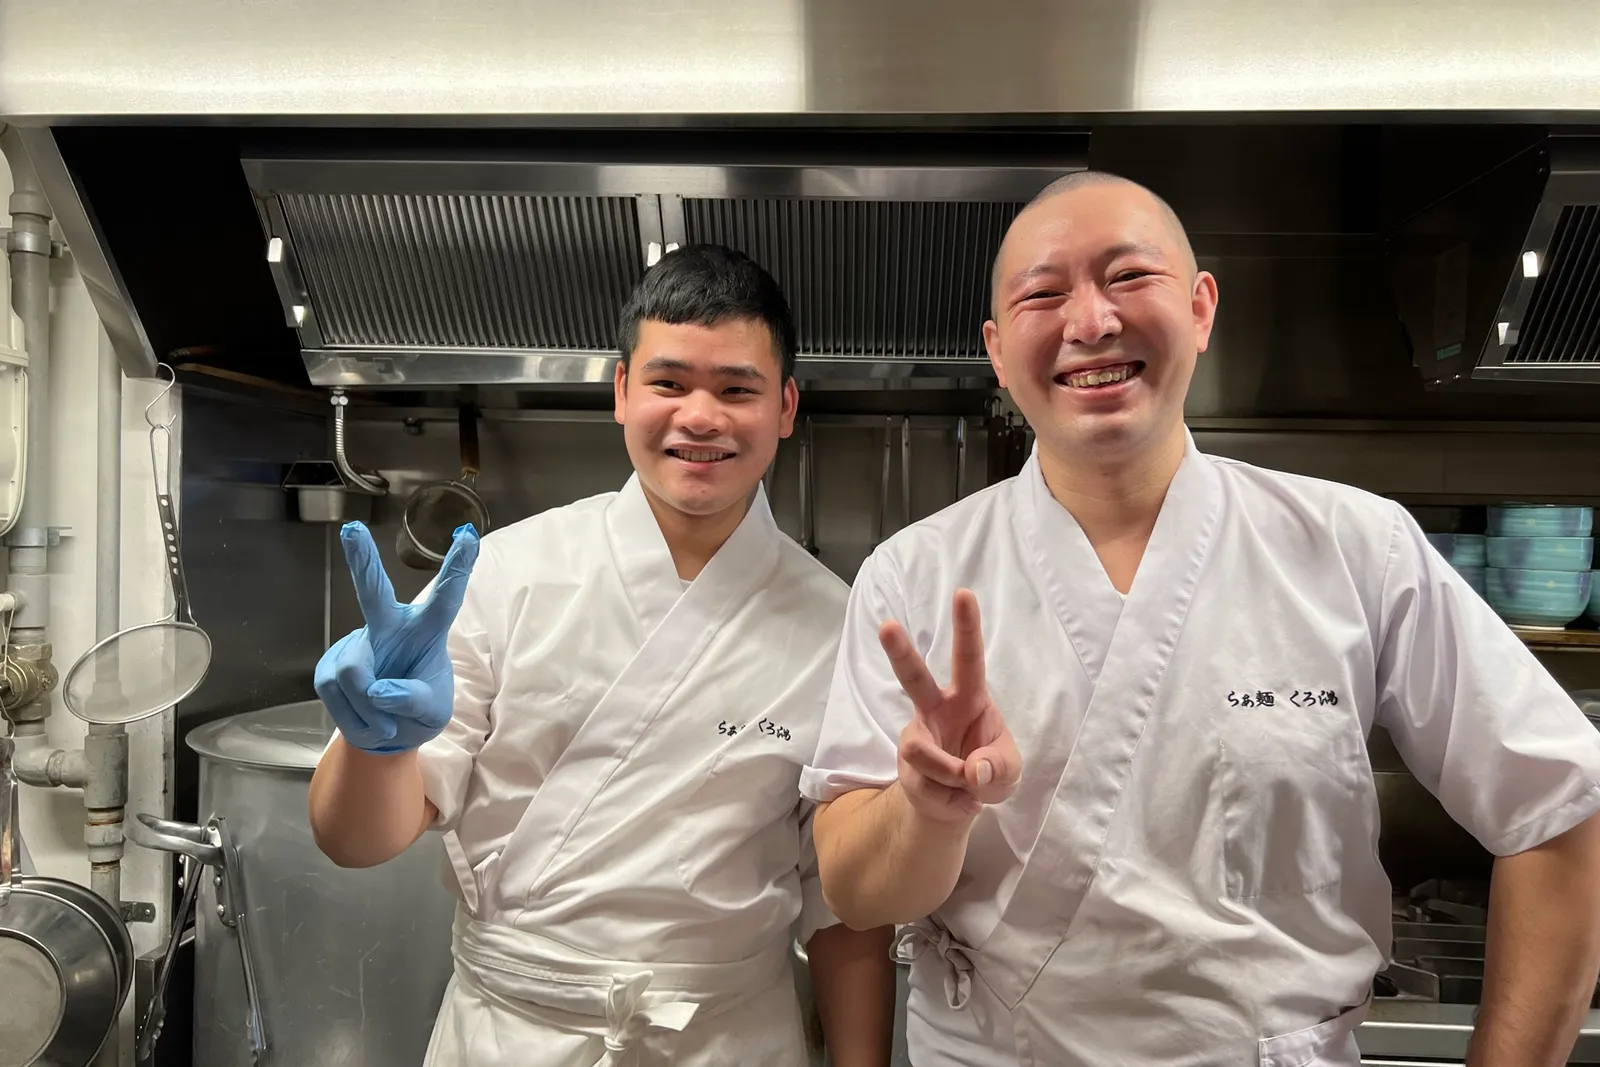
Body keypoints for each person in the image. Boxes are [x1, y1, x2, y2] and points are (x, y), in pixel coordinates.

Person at [803, 171, 1600, 1067]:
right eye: (1043, 293)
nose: (1091, 322)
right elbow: (854, 889)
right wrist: (925, 807)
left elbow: (1558, 807)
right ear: (996, 347)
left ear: (1201, 307)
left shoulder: (1353, 547)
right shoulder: (913, 575)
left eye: (1128, 277)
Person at [307, 244, 896, 1067]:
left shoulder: (840, 622)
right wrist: (379, 746)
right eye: (669, 382)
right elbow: (354, 840)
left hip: (729, 1039)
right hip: (512, 1034)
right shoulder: (508, 575)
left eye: (737, 388)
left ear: (787, 405)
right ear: (621, 391)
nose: (701, 415)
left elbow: (843, 910)